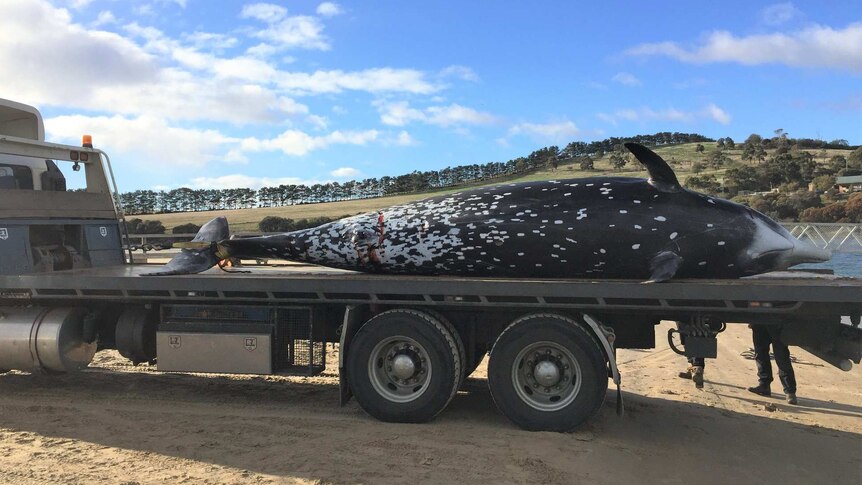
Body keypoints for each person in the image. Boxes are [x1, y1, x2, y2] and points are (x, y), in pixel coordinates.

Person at [748, 324, 797, 405]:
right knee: (760, 353)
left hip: (777, 319)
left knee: (781, 355)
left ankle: (790, 391)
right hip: (760, 318)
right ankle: (764, 385)